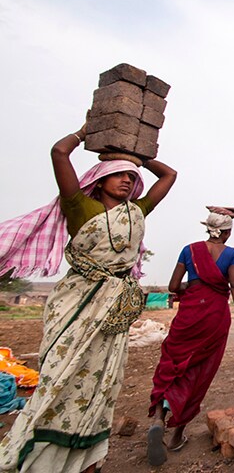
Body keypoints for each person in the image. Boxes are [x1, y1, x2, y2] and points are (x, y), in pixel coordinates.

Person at [0, 125, 177, 473]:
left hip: (113, 308)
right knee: (60, 374)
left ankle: (86, 455)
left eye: (132, 176)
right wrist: (86, 132)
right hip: (77, 302)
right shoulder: (80, 206)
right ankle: (41, 452)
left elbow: (169, 175)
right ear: (100, 177)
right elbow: (59, 153)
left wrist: (138, 155)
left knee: (101, 379)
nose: (127, 180)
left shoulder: (137, 212)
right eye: (118, 174)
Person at [147, 206, 234, 466]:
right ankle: (177, 436)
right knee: (199, 373)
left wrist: (194, 285)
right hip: (214, 319)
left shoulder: (189, 250)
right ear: (226, 233)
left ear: (209, 228)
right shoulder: (232, 254)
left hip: (189, 316)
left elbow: (173, 286)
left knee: (172, 365)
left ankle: (159, 418)